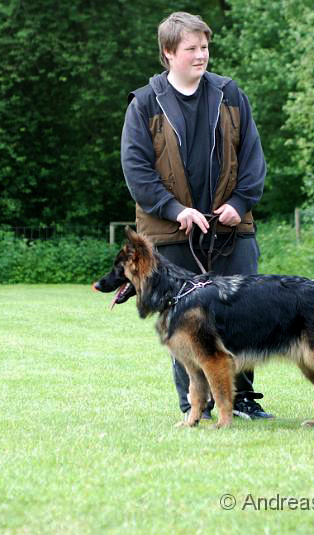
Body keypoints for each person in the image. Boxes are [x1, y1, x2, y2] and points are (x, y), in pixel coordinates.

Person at [120, 11, 272, 420]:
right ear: (169, 53)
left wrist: (239, 204)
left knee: (241, 315)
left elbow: (253, 159)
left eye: (205, 47)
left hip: (230, 230)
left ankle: (240, 400)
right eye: (192, 49)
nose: (202, 55)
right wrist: (176, 209)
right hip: (171, 234)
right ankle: (195, 404)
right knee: (184, 322)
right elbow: (137, 172)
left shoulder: (230, 94)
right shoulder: (144, 104)